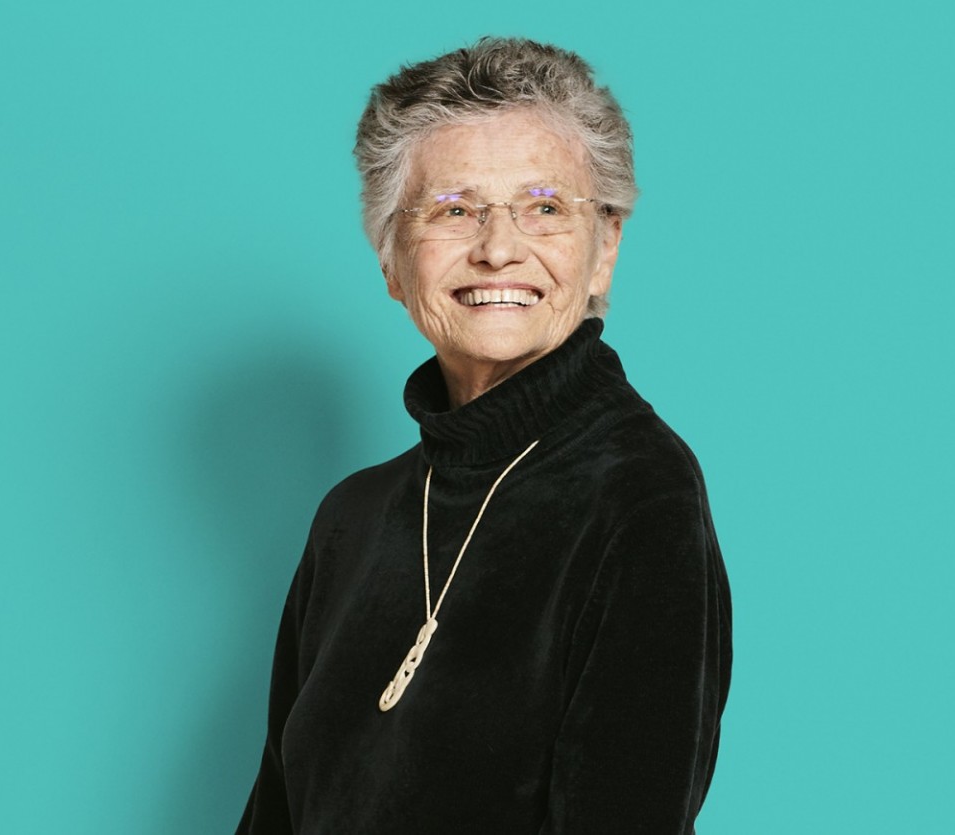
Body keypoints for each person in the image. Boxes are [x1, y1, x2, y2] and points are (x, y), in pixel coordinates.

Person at [236, 36, 732, 834]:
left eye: (543, 207)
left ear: (604, 248)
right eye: (454, 209)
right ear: (391, 260)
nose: (499, 248)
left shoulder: (640, 494)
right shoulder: (350, 519)